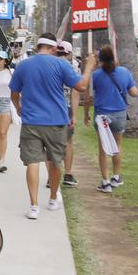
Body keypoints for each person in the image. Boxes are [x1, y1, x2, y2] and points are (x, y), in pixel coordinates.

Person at [9, 33, 96, 220]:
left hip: (31, 122)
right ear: (54, 48)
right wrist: (89, 67)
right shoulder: (61, 64)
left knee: (32, 163)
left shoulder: (23, 65)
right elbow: (81, 86)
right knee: (55, 161)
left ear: (38, 46)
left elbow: (14, 94)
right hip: (56, 121)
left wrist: (19, 109)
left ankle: (33, 206)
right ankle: (53, 198)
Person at [84, 45, 138, 193]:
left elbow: (88, 97)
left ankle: (105, 182)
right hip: (120, 114)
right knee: (117, 146)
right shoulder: (124, 72)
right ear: (114, 58)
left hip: (102, 115)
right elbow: (134, 93)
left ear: (100, 59)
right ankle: (116, 177)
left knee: (103, 149)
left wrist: (86, 114)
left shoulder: (95, 75)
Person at [56, 41, 81, 187]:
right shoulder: (72, 68)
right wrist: (74, 116)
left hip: (51, 109)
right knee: (67, 142)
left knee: (52, 143)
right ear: (69, 53)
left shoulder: (50, 65)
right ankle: (68, 174)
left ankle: (52, 176)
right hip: (66, 108)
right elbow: (75, 93)